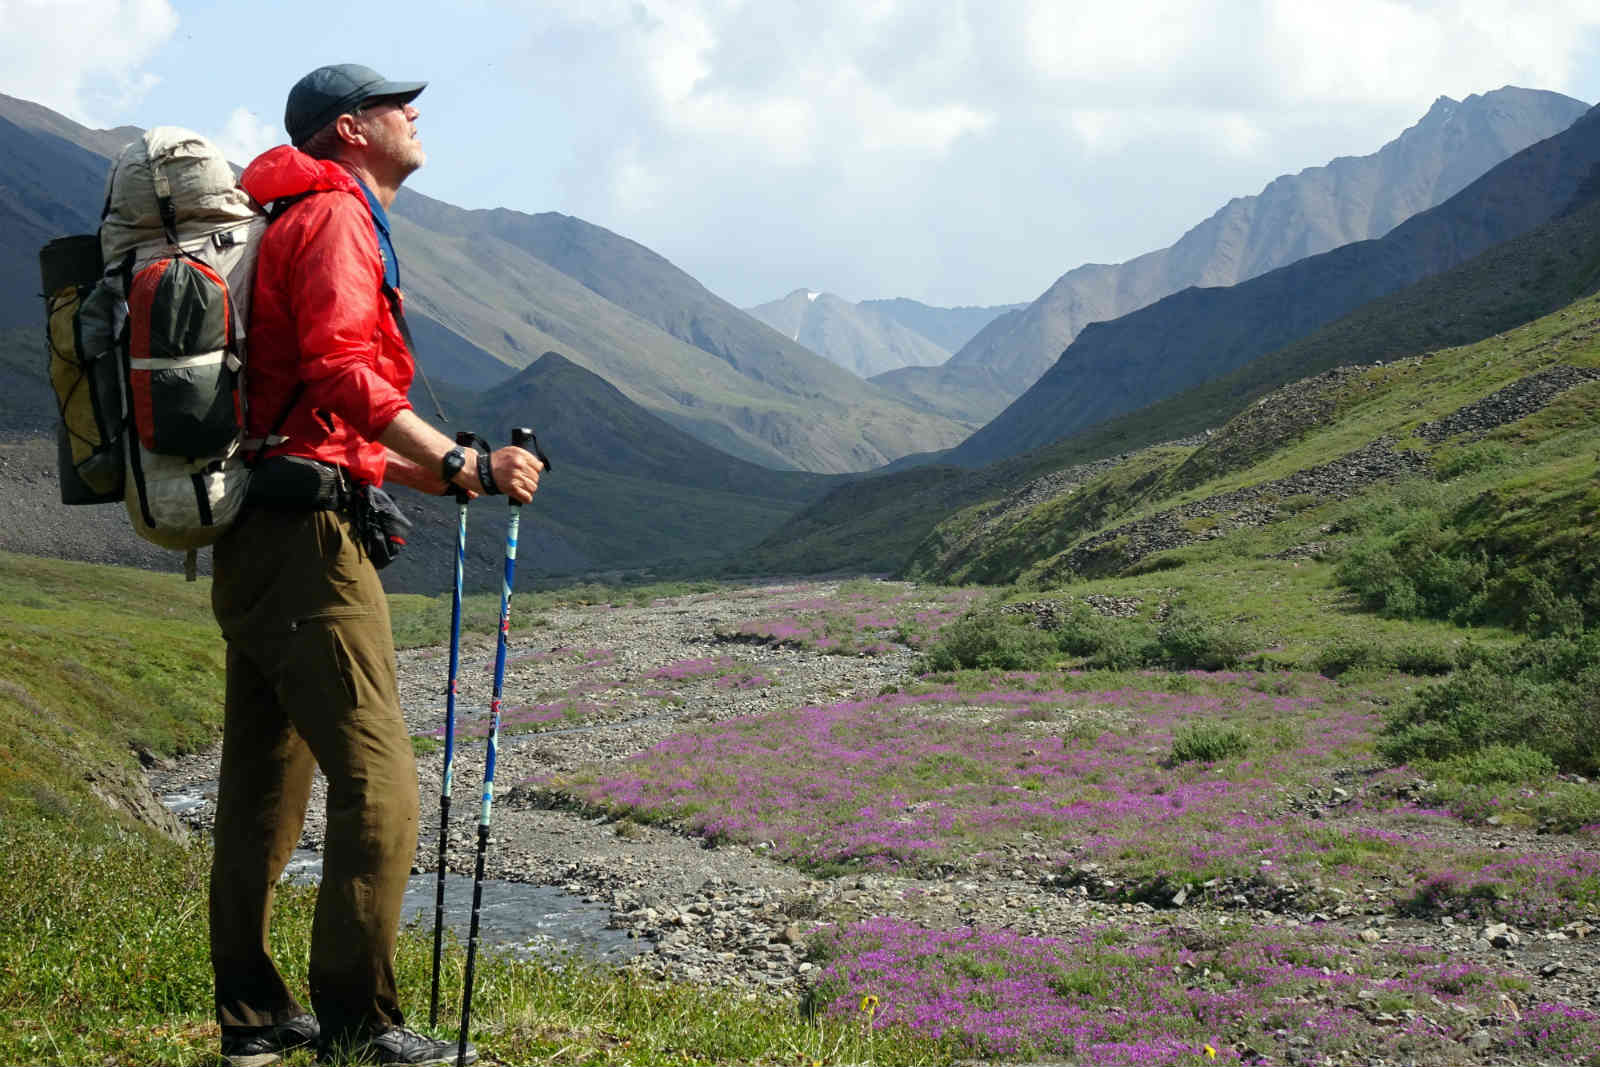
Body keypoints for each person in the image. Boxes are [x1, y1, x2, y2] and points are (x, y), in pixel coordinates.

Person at [209, 64, 544, 1067]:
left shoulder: (293, 212)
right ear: (350, 129)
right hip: (309, 544)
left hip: (259, 530)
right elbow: (343, 370)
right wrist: (458, 457)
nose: (415, 115)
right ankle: (361, 1022)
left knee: (264, 786)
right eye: (400, 105)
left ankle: (255, 1019)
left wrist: (452, 480)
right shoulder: (334, 215)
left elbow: (321, 417)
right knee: (383, 782)